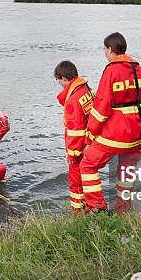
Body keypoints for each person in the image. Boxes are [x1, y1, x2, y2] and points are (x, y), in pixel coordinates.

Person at [80, 32, 141, 212]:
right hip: (135, 136)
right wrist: (139, 127)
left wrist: (90, 135)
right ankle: (123, 211)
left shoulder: (111, 71)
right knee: (126, 173)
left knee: (88, 164)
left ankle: (98, 209)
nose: (105, 53)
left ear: (110, 49)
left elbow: (101, 108)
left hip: (113, 136)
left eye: (105, 49)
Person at [55, 61, 94, 213]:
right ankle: (92, 208)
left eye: (58, 80)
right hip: (89, 143)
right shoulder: (85, 89)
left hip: (79, 149)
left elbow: (75, 131)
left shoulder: (72, 99)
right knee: (88, 180)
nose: (59, 83)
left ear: (64, 78)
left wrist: (72, 154)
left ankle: (78, 214)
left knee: (75, 183)